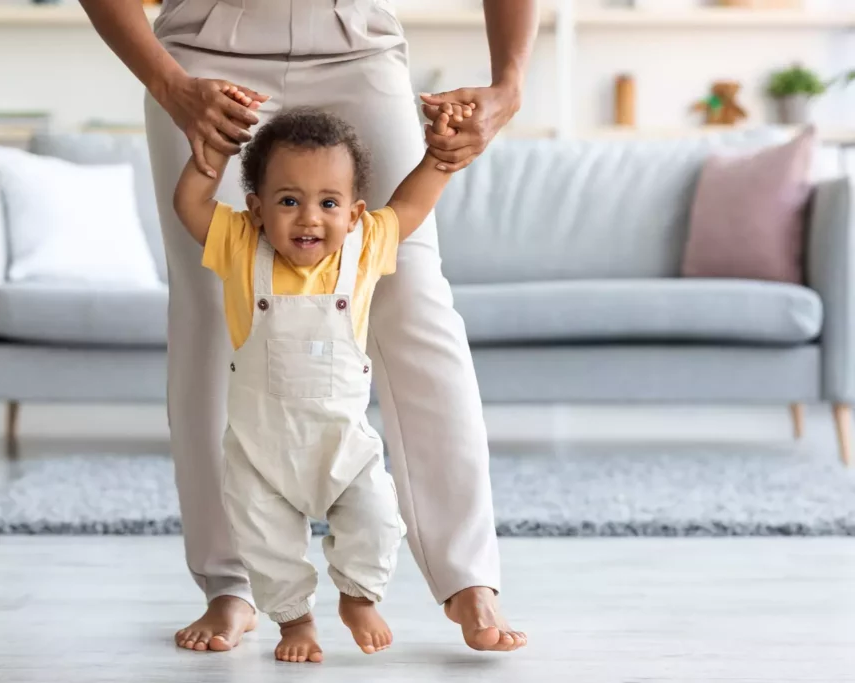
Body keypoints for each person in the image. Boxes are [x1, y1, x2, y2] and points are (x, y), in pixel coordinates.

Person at [79, 0, 538, 653]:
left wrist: (509, 83)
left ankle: (468, 577)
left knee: (414, 293)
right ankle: (231, 583)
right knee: (212, 305)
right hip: (206, 52)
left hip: (358, 45)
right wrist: (170, 84)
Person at [172, 102, 464, 662]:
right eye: (288, 201)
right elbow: (189, 204)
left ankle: (358, 596)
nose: (309, 218)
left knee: (378, 518)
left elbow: (410, 204)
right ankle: (295, 622)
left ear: (354, 214)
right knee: (267, 545)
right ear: (256, 208)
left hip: (343, 449)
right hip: (260, 452)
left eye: (328, 203)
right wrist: (213, 151)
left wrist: (440, 157)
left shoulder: (364, 247)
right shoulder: (240, 245)